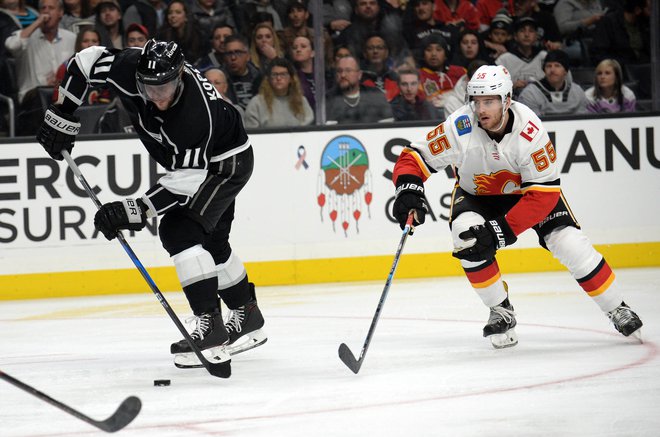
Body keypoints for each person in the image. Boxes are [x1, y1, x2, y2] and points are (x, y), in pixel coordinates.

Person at [36, 39, 268, 371]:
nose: (157, 96)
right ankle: (247, 315)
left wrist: (131, 210)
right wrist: (64, 110)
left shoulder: (193, 115)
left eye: (167, 86)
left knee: (180, 231)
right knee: (213, 241)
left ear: (181, 77)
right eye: (149, 87)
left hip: (224, 165)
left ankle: (210, 327)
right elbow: (86, 61)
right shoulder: (128, 68)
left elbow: (188, 179)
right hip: (206, 162)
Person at [391, 64, 643, 349]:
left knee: (569, 242)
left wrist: (501, 230)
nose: (480, 108)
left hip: (530, 194)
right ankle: (501, 310)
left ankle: (616, 307)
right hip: (478, 194)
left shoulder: (530, 131)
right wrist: (408, 189)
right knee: (466, 236)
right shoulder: (459, 126)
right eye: (476, 101)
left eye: (489, 101)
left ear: (507, 101)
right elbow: (414, 157)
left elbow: (544, 195)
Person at [4, 0, 76, 135]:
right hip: (32, 102)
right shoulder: (28, 37)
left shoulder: (71, 38)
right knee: (44, 95)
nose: (46, 11)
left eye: (51, 8)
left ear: (60, 13)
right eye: (43, 8)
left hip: (62, 97)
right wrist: (37, 23)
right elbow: (11, 45)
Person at [244, 58, 313, 128]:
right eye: (274, 74)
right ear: (268, 79)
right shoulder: (256, 103)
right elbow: (252, 134)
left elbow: (307, 130)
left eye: (283, 74)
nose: (279, 78)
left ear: (291, 79)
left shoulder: (301, 101)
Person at [325, 55, 393, 124]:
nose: (343, 75)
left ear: (359, 75)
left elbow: (387, 125)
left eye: (348, 70)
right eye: (339, 71)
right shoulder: (328, 99)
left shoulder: (375, 95)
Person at [518, 49, 588, 115]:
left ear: (566, 71)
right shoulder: (530, 93)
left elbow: (583, 120)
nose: (552, 70)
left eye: (557, 66)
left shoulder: (577, 92)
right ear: (544, 70)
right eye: (548, 66)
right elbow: (532, 123)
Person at [495, 16, 546, 96]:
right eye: (522, 31)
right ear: (515, 36)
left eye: (531, 31)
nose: (526, 35)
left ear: (536, 36)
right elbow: (493, 88)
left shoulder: (544, 57)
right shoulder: (504, 59)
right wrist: (512, 87)